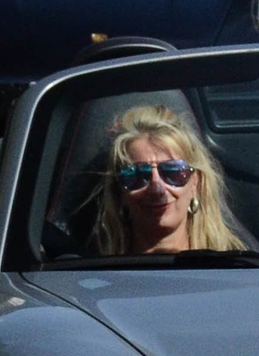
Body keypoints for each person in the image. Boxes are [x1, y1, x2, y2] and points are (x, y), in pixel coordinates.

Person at [89, 105, 245, 256]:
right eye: (138, 175)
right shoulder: (94, 271)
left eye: (173, 172)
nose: (157, 190)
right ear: (120, 191)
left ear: (195, 183)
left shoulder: (234, 267)